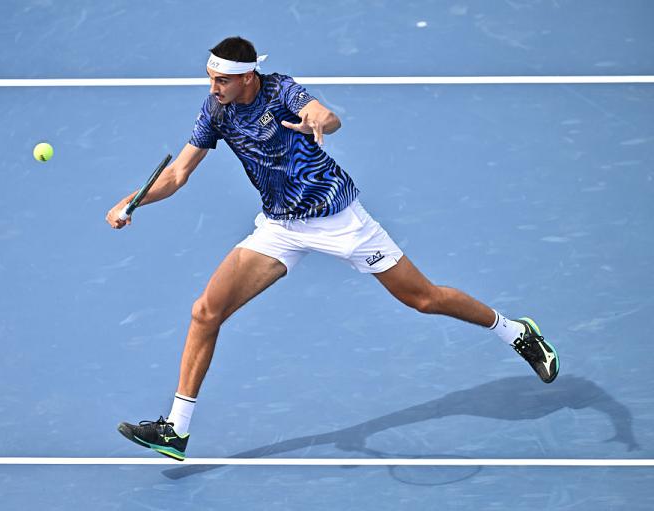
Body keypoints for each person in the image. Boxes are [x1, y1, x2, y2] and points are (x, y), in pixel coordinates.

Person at [107, 36, 559, 461]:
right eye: (210, 78)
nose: (213, 87)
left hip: (341, 221)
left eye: (221, 79)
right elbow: (177, 173)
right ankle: (176, 430)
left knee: (424, 298)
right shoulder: (216, 110)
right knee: (206, 312)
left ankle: (515, 331)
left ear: (248, 76)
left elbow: (326, 115)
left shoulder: (281, 90)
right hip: (280, 228)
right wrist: (133, 200)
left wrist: (319, 121)